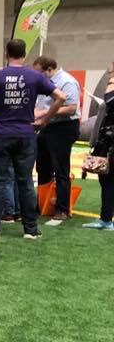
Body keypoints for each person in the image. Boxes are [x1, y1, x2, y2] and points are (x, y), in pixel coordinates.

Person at [0, 39, 67, 240]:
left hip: (1, 135)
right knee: (25, 182)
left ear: (6, 54)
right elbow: (61, 97)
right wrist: (44, 121)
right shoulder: (35, 76)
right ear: (24, 55)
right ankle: (31, 229)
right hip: (26, 135)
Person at [31, 56, 82, 226]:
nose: (36, 76)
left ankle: (62, 209)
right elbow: (39, 106)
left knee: (60, 168)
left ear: (49, 70)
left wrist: (44, 113)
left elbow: (71, 108)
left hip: (64, 128)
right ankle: (42, 204)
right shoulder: (43, 83)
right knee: (42, 167)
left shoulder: (67, 81)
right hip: (46, 127)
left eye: (39, 72)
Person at [82, 65, 114, 230]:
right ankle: (106, 218)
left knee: (107, 179)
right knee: (107, 180)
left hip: (109, 142)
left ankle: (106, 219)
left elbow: (108, 104)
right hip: (106, 140)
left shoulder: (111, 90)